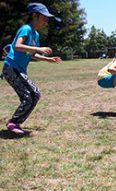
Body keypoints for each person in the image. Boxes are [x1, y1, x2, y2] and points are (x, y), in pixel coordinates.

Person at [1, 3, 61, 135]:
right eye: (44, 17)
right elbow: (17, 46)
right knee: (32, 94)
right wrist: (38, 48)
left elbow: (32, 54)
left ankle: (15, 122)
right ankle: (13, 122)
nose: (46, 21)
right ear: (35, 15)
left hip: (18, 69)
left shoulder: (36, 35)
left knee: (33, 95)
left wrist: (48, 59)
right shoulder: (26, 29)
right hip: (11, 67)